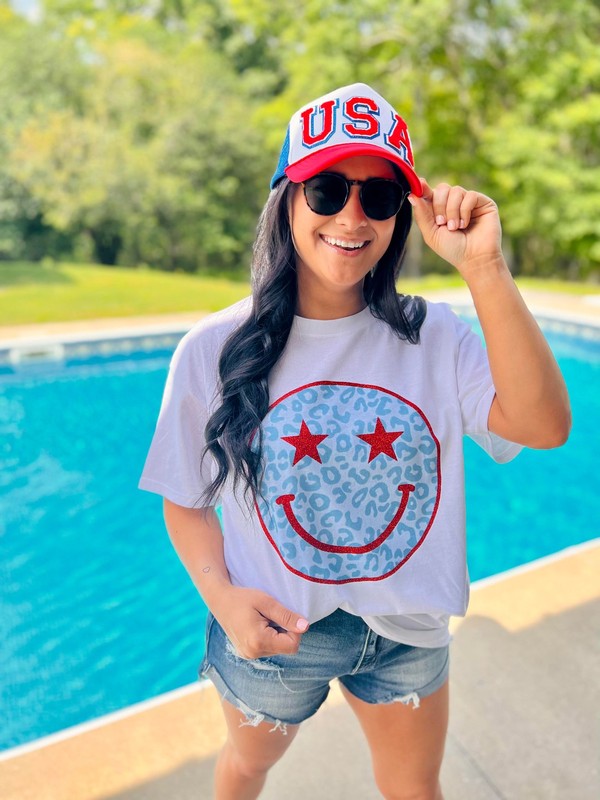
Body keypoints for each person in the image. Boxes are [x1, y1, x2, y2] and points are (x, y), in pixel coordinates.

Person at [139, 83, 570, 800]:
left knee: (414, 789)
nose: (351, 216)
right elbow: (185, 498)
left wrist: (483, 268)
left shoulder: (434, 336)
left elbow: (543, 426)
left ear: (401, 215)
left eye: (379, 197)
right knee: (246, 766)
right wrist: (223, 599)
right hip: (276, 632)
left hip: (407, 632)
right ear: (287, 200)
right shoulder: (212, 349)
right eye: (328, 189)